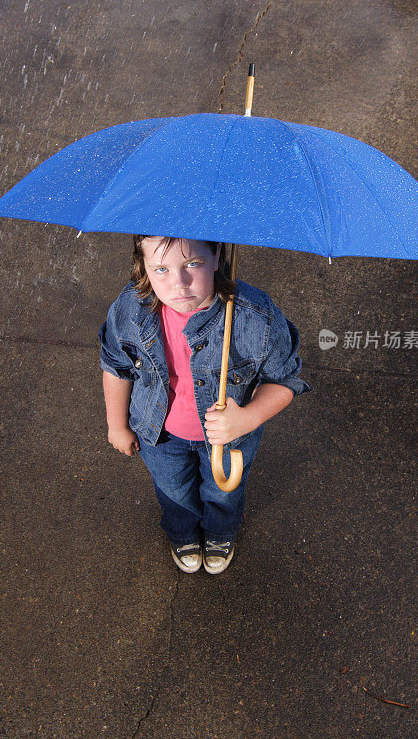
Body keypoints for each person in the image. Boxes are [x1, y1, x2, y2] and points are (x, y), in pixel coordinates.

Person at [99, 235, 312, 575]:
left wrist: (248, 418)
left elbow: (284, 380)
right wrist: (117, 425)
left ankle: (220, 533)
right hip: (161, 436)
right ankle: (182, 533)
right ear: (143, 266)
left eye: (192, 264)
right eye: (161, 269)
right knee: (173, 491)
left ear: (217, 256)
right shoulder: (130, 310)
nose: (178, 283)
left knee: (224, 494)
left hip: (230, 439)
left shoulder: (255, 316)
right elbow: (116, 366)